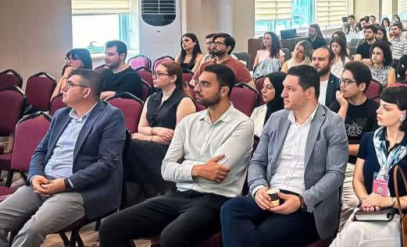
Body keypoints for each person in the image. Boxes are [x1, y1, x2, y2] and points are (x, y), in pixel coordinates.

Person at [98, 64, 255, 246]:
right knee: (110, 226)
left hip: (217, 199)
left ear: (224, 90)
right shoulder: (188, 122)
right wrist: (197, 170)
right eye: (198, 83)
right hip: (180, 194)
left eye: (205, 84)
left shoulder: (242, 124)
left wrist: (185, 166)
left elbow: (217, 172)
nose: (196, 89)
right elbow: (166, 169)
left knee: (171, 237)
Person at [220, 65, 348, 247]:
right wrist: (259, 188)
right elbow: (257, 161)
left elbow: (335, 174)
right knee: (231, 208)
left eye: (290, 89)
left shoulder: (332, 123)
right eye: (284, 88)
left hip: (307, 203)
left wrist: (302, 200)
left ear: (309, 93)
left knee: (260, 235)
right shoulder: (276, 119)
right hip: (270, 193)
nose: (283, 94)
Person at [0, 69, 125, 247]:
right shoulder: (61, 115)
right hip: (44, 183)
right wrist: (35, 176)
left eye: (70, 84)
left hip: (80, 189)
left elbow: (106, 163)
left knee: (32, 229)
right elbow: (40, 152)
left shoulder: (110, 116)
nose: (63, 88)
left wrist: (66, 183)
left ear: (86, 91)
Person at [331, 86, 407, 247]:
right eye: (380, 105)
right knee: (351, 231)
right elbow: (358, 179)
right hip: (368, 210)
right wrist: (365, 199)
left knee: (355, 232)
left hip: (398, 216)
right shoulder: (369, 140)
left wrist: (387, 201)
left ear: (403, 114)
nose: (378, 111)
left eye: (386, 108)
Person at [125, 61, 196, 202]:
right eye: (153, 73)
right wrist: (156, 130)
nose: (154, 77)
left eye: (159, 74)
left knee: (131, 145)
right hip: (151, 144)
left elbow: (178, 138)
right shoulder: (152, 98)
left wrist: (147, 137)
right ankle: (134, 195)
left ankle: (137, 196)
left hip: (170, 150)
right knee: (128, 145)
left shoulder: (184, 101)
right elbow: (141, 127)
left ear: (173, 78)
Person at [329, 62, 380, 228]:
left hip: (356, 166)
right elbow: (330, 137)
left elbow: (370, 148)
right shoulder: (337, 105)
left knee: (352, 202)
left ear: (362, 86)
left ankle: (342, 236)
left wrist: (339, 148)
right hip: (331, 163)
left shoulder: (375, 110)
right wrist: (344, 107)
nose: (342, 85)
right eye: (341, 80)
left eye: (347, 81)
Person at [250, 72, 287, 139]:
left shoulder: (291, 115)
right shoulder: (257, 111)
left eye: (269, 87)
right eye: (263, 86)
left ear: (280, 89)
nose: (262, 91)